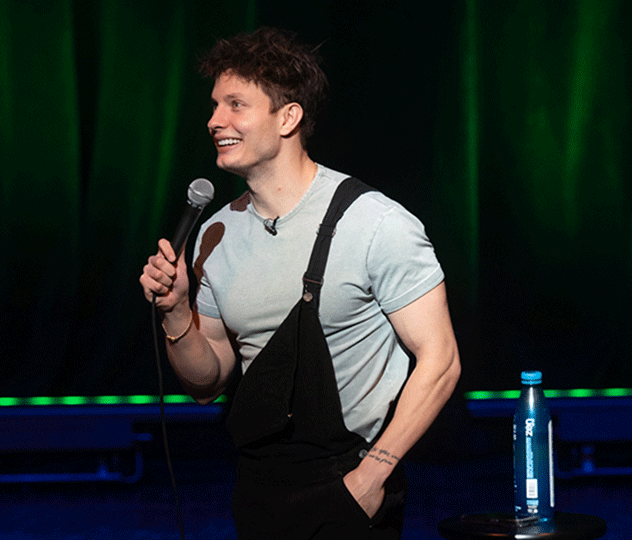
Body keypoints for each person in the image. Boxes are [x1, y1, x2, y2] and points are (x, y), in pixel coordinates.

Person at [139, 27, 461, 540]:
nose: (214, 120)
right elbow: (207, 382)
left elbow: (440, 360)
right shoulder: (215, 233)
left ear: (287, 117)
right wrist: (176, 312)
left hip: (351, 483)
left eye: (236, 105)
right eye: (215, 105)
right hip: (259, 489)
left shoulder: (376, 223)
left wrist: (372, 475)